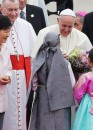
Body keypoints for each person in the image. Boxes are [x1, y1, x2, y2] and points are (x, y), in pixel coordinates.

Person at [27, 32, 75, 130]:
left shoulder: (39, 60)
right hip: (60, 100)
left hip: (42, 96)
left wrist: (41, 89)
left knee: (42, 122)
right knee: (60, 123)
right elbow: (72, 83)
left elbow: (34, 84)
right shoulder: (65, 63)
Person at [1, 0, 36, 130]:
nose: (14, 13)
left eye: (16, 9)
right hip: (4, 76)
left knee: (21, 112)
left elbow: (34, 53)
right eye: (10, 10)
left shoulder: (26, 26)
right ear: (1, 9)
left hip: (22, 78)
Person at [0, 14, 12, 130]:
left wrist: (8, 77)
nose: (7, 34)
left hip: (2, 102)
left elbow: (9, 68)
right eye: (4, 31)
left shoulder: (6, 48)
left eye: (9, 31)